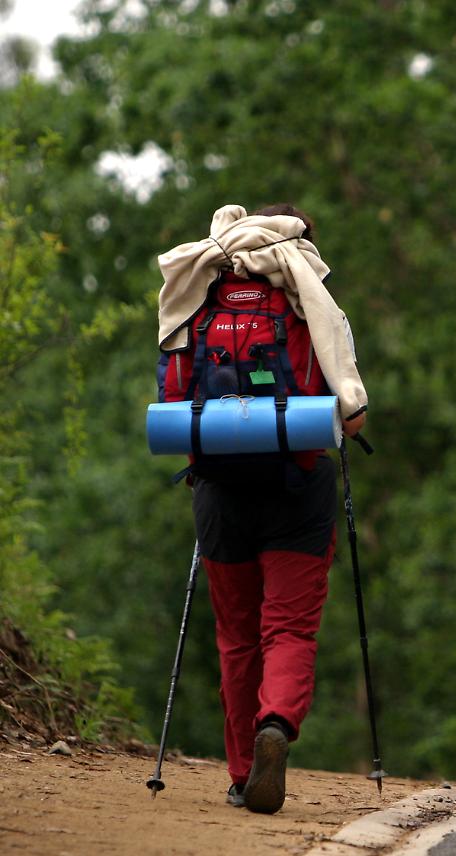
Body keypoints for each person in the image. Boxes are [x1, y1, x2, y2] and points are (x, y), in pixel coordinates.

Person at [156, 204, 368, 813]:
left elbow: (173, 399)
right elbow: (352, 417)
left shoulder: (199, 297)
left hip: (219, 492)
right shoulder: (309, 305)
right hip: (298, 488)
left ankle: (243, 771)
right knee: (289, 628)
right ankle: (275, 722)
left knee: (237, 636)